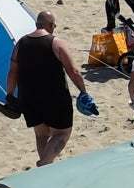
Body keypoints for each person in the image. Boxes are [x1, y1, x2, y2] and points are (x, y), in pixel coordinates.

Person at [6, 11, 93, 165]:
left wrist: (10, 94)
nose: (54, 28)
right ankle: (44, 163)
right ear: (49, 25)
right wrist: (83, 91)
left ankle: (46, 167)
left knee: (41, 134)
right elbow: (73, 71)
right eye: (53, 25)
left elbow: (12, 72)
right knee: (62, 133)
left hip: (28, 97)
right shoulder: (56, 42)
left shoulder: (20, 43)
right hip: (54, 97)